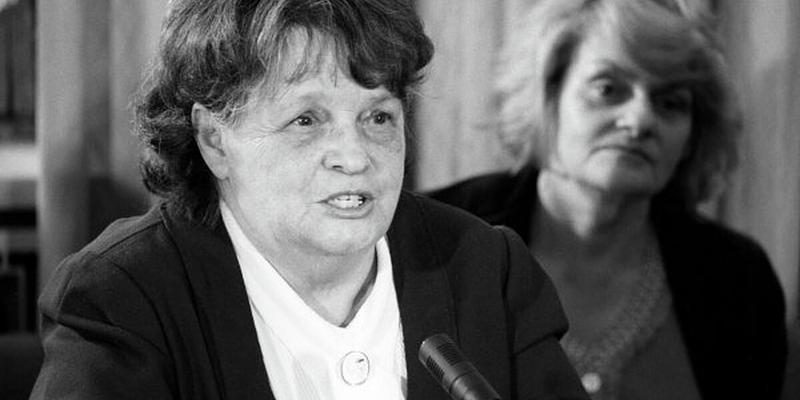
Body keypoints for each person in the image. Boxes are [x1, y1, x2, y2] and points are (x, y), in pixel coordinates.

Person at [29, 0, 589, 399]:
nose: (354, 156)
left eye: (378, 117)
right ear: (215, 140)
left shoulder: (487, 270)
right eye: (306, 120)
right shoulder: (122, 301)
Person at [429, 0, 788, 399]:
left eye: (670, 103)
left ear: (692, 136)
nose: (640, 120)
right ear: (547, 96)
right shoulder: (431, 238)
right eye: (608, 89)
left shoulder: (737, 280)